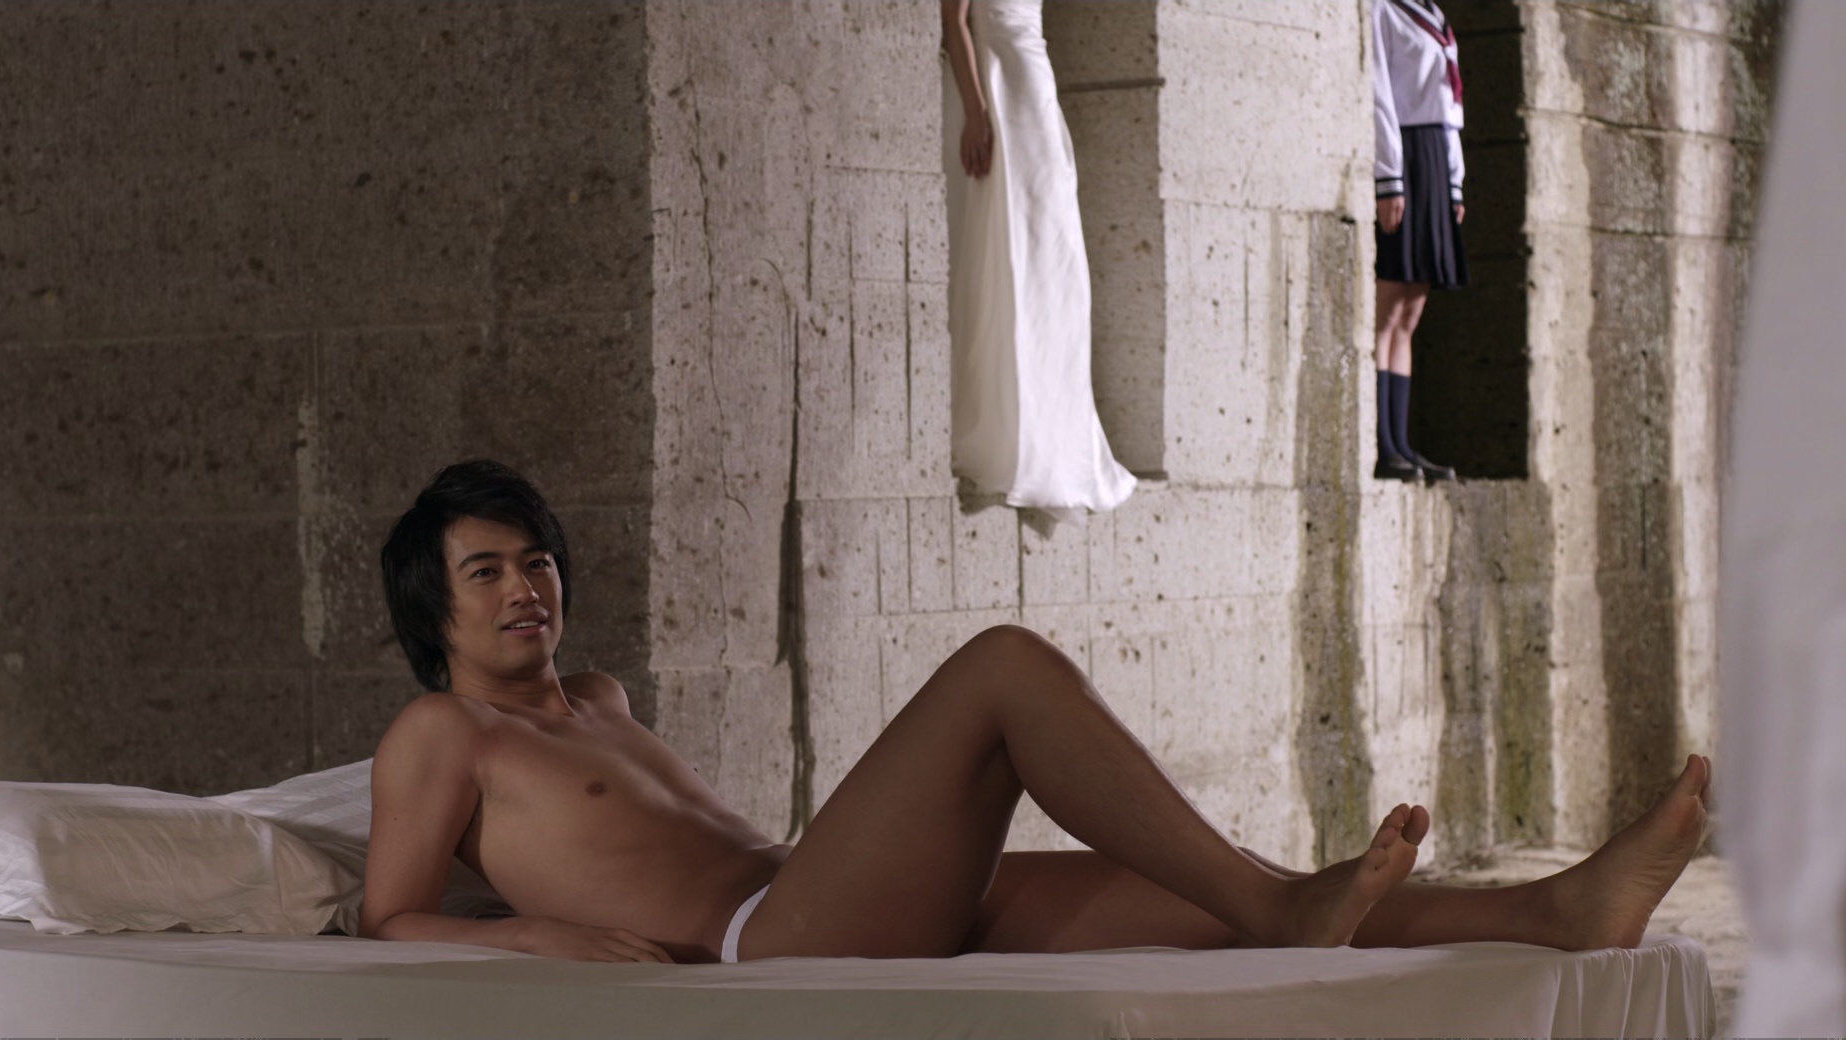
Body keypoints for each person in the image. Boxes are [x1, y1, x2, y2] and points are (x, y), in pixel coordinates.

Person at [361, 459, 1712, 964]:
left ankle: (1555, 911)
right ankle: (1280, 908)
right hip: (766, 939)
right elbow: (389, 916)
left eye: (536, 561)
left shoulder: (597, 699)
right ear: (437, 612)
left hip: (818, 887)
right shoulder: (443, 736)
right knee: (1002, 666)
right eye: (487, 574)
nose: (526, 588)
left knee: (1221, 896)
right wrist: (539, 938)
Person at [941, 0, 1136, 521]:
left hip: (1035, 87)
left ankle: (1056, 438)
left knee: (1055, 264)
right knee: (1012, 255)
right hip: (998, 90)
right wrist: (976, 113)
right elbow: (954, 21)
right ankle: (1010, 434)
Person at [1371, 0, 1467, 484]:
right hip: (1404, 153)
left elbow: (1451, 109)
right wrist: (1389, 176)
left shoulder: (1437, 16)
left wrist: (1454, 181)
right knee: (1388, 310)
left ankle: (1402, 444)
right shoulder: (1383, 9)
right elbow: (1379, 92)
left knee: (1411, 313)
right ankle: (1382, 445)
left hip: (1433, 154)